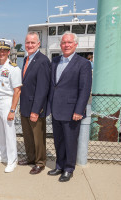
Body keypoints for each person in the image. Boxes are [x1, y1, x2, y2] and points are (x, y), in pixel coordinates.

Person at [47, 32, 92, 182]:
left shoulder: (83, 63)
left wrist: (79, 110)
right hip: (56, 109)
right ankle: (59, 165)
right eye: (64, 43)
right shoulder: (55, 61)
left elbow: (85, 89)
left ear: (75, 45)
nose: (66, 45)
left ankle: (68, 168)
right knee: (58, 140)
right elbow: (54, 86)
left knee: (70, 141)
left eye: (69, 43)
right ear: (60, 45)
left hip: (72, 111)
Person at [18, 32, 51, 175]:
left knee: (38, 137)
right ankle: (31, 158)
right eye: (27, 42)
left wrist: (36, 110)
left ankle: (40, 162)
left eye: (32, 43)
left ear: (38, 44)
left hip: (35, 107)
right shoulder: (26, 59)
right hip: (25, 105)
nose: (29, 45)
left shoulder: (42, 61)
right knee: (28, 136)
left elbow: (42, 89)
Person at [0, 39, 22, 173]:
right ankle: (0, 155)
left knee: (9, 133)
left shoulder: (13, 68)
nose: (1, 53)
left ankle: (12, 160)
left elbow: (17, 91)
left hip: (8, 102)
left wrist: (13, 110)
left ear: (9, 52)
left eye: (4, 50)